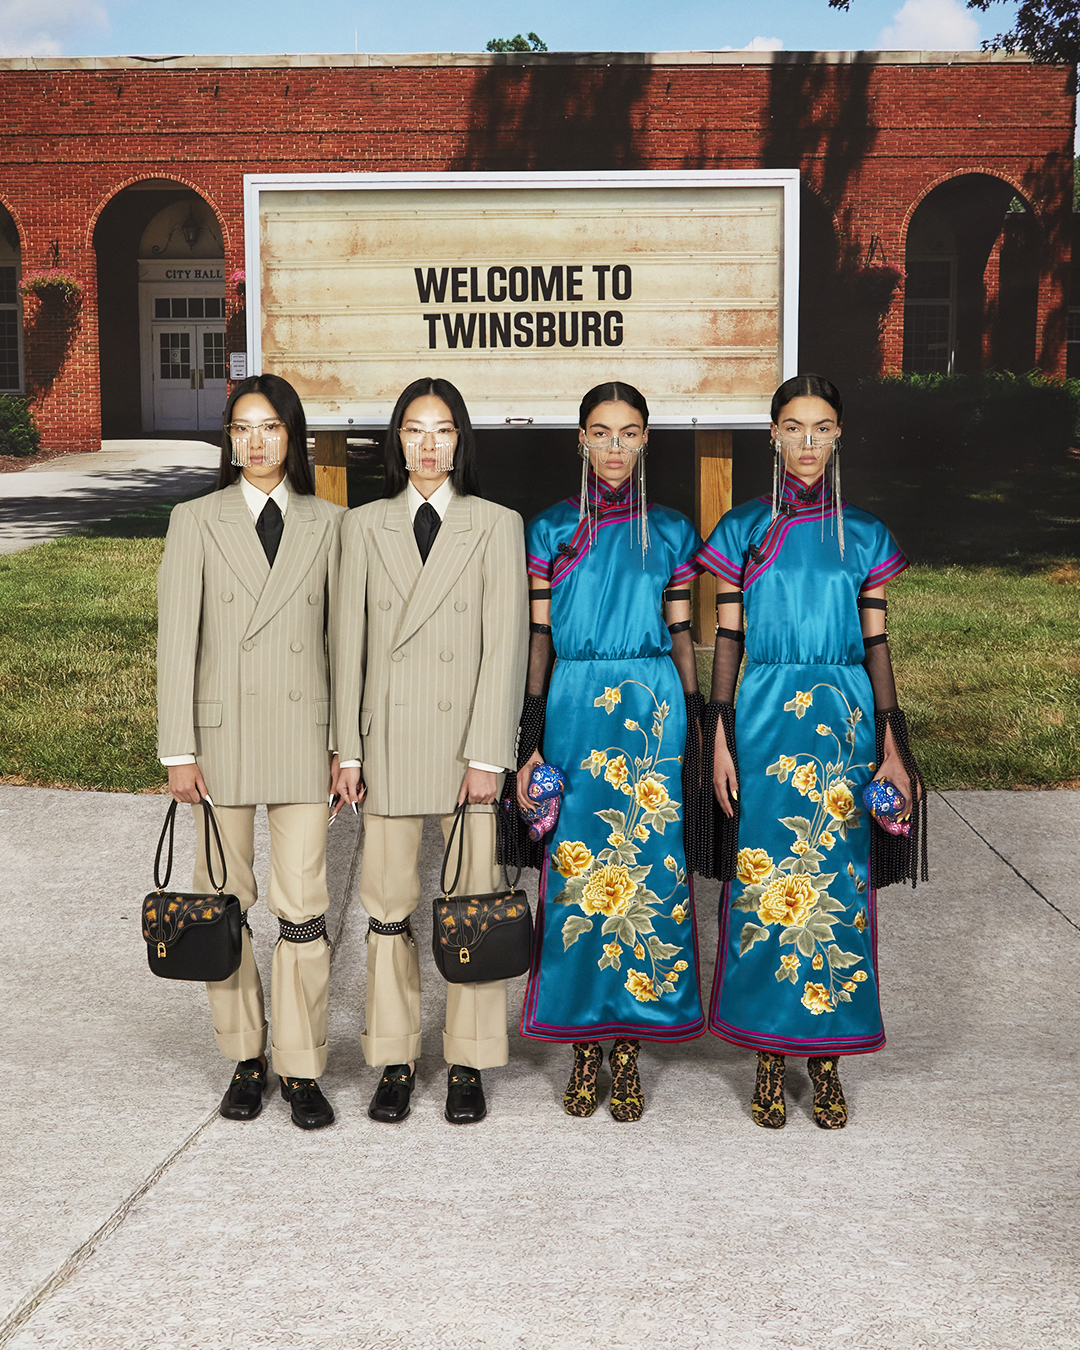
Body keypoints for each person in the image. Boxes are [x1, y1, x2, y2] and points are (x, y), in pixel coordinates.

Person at [696, 373, 926, 1131]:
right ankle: (768, 1054)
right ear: (772, 434)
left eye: (821, 427)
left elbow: (877, 645)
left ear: (838, 435)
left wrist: (892, 745)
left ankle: (825, 1058)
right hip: (763, 718)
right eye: (792, 427)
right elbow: (727, 641)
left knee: (836, 887)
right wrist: (719, 733)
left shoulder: (864, 535)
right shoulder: (742, 530)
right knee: (762, 883)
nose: (806, 441)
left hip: (844, 724)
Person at [508, 380, 707, 1123]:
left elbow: (682, 634)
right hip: (573, 708)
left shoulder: (673, 532)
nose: (614, 446)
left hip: (653, 712)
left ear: (646, 439)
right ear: (581, 440)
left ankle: (628, 1047)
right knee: (576, 874)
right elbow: (539, 638)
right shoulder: (549, 530)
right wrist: (531, 734)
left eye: (628, 433)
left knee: (650, 873)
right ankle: (582, 1046)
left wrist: (697, 722)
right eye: (601, 432)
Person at [331, 377, 528, 1125]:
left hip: (465, 746)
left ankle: (469, 1059)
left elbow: (505, 649)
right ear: (397, 441)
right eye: (414, 429)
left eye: (443, 430)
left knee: (474, 905)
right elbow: (347, 648)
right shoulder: (362, 526)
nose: (428, 445)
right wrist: (348, 750)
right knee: (386, 909)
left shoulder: (496, 525)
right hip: (385, 744)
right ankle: (395, 1056)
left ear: (460, 441)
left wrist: (489, 755)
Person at [157, 373, 344, 1129]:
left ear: (292, 436)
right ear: (229, 439)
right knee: (222, 905)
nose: (255, 441)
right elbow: (178, 642)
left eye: (270, 427)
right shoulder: (194, 520)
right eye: (241, 428)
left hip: (304, 739)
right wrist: (178, 749)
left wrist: (345, 747)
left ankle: (300, 1066)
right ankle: (245, 1058)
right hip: (219, 739)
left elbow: (343, 647)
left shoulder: (330, 524)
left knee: (303, 910)